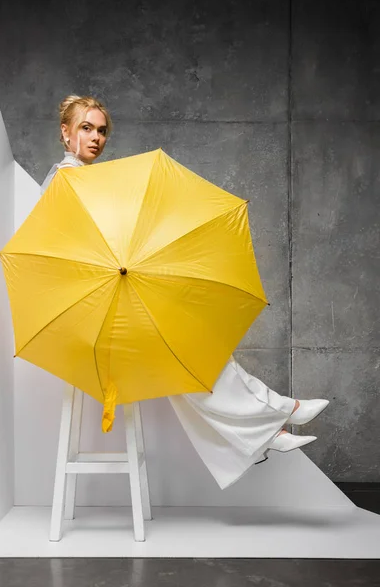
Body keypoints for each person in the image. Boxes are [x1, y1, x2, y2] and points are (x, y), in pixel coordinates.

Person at [40, 94, 330, 490]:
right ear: (66, 131)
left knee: (189, 352)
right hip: (92, 316)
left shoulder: (87, 180)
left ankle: (268, 429)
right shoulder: (65, 182)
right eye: (86, 128)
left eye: (102, 130)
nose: (95, 138)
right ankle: (275, 416)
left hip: (112, 303)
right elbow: (67, 260)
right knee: (189, 344)